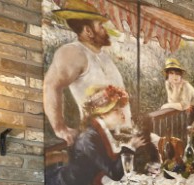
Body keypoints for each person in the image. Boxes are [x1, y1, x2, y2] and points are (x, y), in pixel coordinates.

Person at [45, 85, 144, 185]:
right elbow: (115, 173)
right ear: (102, 114)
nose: (123, 114)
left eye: (121, 109)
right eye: (116, 110)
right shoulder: (89, 137)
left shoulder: (101, 132)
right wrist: (131, 147)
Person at [44, 0, 131, 146]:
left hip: (122, 139)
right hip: (99, 142)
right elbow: (50, 85)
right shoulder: (73, 52)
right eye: (100, 25)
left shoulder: (104, 56)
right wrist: (60, 128)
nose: (104, 30)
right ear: (88, 31)